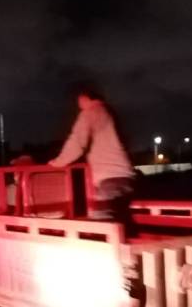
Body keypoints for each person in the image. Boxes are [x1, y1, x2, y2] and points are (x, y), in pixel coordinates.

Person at [48, 89, 135, 222]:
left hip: (109, 178)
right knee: (122, 220)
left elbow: (77, 142)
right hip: (126, 176)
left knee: (101, 223)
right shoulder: (110, 112)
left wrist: (58, 162)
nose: (79, 105)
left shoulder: (90, 112)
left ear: (86, 98)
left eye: (79, 101)